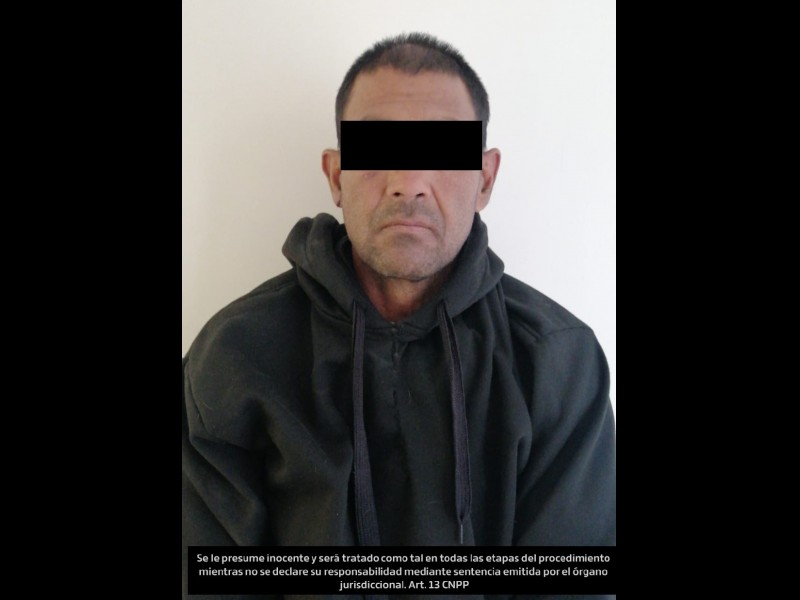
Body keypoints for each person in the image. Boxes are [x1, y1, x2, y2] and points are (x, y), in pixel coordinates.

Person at [183, 31, 615, 594]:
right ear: (336, 176)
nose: (408, 183)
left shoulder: (559, 360)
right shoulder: (234, 357)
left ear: (485, 179)